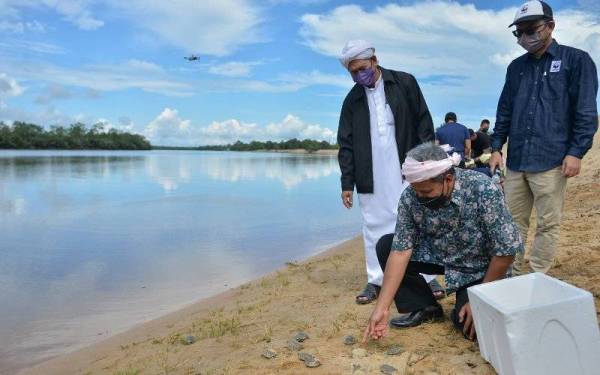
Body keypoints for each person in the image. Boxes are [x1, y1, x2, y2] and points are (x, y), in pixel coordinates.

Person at [362, 143, 522, 342]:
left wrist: (480, 299)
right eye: (416, 191)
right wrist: (382, 309)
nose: (420, 197)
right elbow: (400, 252)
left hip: (479, 268)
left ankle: (468, 300)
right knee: (386, 246)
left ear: (448, 179)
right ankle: (424, 306)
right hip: (440, 255)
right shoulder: (410, 197)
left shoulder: (482, 188)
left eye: (427, 193)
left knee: (472, 327)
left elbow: (506, 251)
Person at [489, 0, 599, 274]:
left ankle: (538, 273)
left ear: (550, 26)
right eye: (519, 33)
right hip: (517, 161)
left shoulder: (577, 60)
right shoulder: (516, 68)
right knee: (512, 221)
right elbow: (505, 109)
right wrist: (496, 147)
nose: (525, 37)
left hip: (552, 160)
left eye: (531, 30)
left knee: (548, 223)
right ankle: (511, 273)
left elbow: (586, 112)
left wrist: (576, 152)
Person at [337, 40, 441, 304]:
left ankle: (427, 277)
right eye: (353, 72)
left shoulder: (405, 83)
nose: (360, 75)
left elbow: (424, 122)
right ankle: (376, 280)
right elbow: (346, 144)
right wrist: (347, 182)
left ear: (374, 60)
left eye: (362, 68)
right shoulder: (352, 100)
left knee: (418, 219)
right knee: (374, 223)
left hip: (408, 165)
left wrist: (426, 164)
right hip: (370, 172)